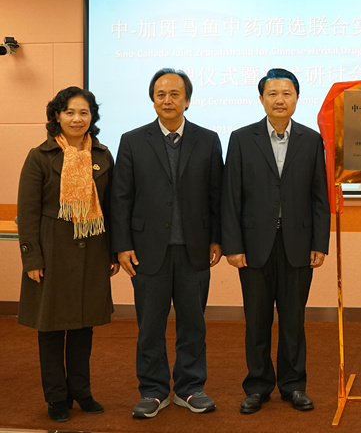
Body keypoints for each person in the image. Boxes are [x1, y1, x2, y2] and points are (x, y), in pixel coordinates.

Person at [110, 68, 223, 418]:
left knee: (193, 325)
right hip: (147, 251)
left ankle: (190, 388)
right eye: (161, 94)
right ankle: (153, 391)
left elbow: (216, 194)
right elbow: (121, 197)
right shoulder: (132, 140)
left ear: (187, 100)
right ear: (153, 100)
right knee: (150, 327)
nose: (168, 100)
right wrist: (122, 245)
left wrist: (216, 238)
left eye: (175, 94)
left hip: (194, 249)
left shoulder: (208, 140)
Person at [222, 68, 330, 414]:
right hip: (254, 245)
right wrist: (233, 246)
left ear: (297, 98)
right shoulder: (241, 138)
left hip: (298, 244)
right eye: (272, 94)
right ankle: (257, 386)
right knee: (256, 321)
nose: (279, 100)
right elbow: (231, 196)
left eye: (286, 93)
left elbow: (319, 196)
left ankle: (294, 385)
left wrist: (320, 242)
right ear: (261, 99)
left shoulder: (311, 140)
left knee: (293, 321)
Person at [17, 87, 119, 423]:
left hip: (92, 252)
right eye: (70, 112)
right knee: (50, 329)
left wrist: (112, 252)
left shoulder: (102, 155)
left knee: (82, 327)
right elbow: (27, 213)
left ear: (92, 117)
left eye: (84, 112)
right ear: (57, 116)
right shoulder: (40, 156)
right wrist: (32, 258)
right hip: (52, 252)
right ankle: (56, 397)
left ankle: (82, 391)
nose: (77, 119)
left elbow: (111, 208)